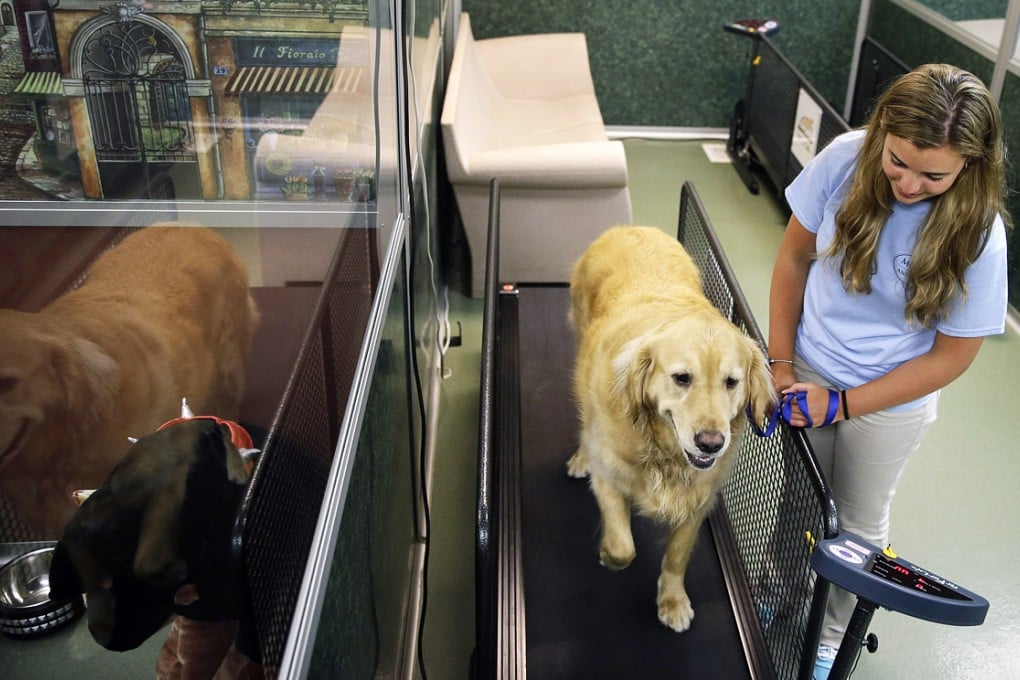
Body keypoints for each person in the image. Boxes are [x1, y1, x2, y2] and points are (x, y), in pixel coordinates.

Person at [767, 63, 1011, 679]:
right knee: (797, 499)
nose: (908, 184)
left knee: (856, 524)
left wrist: (843, 404)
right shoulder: (845, 159)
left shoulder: (981, 231)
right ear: (882, 133)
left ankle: (829, 638)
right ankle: (775, 593)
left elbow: (951, 357)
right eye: (898, 162)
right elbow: (793, 258)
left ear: (971, 165)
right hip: (809, 364)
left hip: (892, 399)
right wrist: (780, 363)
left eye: (933, 176)